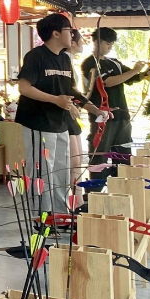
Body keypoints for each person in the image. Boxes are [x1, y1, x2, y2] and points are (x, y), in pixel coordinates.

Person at [14, 13, 103, 215]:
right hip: (37, 122)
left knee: (61, 170)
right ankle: (42, 216)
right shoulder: (36, 56)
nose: (72, 34)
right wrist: (56, 100)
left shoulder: (64, 59)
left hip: (59, 122)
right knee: (42, 170)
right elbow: (24, 88)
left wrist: (93, 108)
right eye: (68, 30)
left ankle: (60, 214)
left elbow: (70, 90)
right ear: (55, 34)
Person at [81, 27, 150, 163]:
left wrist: (145, 73)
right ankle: (97, 183)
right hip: (102, 115)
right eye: (107, 43)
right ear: (96, 42)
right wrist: (135, 71)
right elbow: (107, 82)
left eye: (112, 44)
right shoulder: (90, 63)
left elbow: (130, 77)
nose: (110, 47)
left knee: (123, 155)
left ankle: (121, 182)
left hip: (121, 115)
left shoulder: (114, 62)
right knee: (100, 155)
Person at [66, 29, 87, 184]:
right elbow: (69, 89)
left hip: (71, 111)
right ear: (72, 42)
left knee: (77, 161)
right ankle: (73, 200)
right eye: (81, 40)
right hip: (66, 112)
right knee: (73, 162)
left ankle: (77, 200)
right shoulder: (64, 60)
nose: (83, 43)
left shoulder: (70, 60)